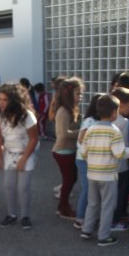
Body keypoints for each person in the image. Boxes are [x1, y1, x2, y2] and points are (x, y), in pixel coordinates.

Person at [80, 94, 129, 246]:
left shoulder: (91, 129)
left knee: (92, 203)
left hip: (92, 173)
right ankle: (104, 236)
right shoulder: (115, 131)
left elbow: (83, 151)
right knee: (108, 205)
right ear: (115, 112)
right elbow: (120, 153)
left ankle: (86, 230)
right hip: (108, 176)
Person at [0, 83, 39, 229]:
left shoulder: (27, 116)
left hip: (25, 153)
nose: (1, 103)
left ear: (14, 101)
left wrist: (24, 158)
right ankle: (11, 215)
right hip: (8, 154)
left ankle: (25, 216)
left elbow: (34, 139)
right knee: (8, 187)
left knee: (23, 188)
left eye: (5, 100)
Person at [53, 77, 82, 219]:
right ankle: (63, 208)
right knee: (69, 180)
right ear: (68, 94)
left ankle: (63, 206)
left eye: (80, 93)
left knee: (70, 179)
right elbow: (63, 135)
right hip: (63, 151)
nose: (80, 97)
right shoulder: (63, 111)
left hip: (69, 150)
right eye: (78, 93)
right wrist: (83, 132)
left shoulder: (71, 109)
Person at [74, 93, 104, 230]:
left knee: (92, 190)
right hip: (84, 160)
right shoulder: (90, 121)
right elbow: (81, 140)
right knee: (87, 189)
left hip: (91, 160)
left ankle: (90, 216)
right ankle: (80, 218)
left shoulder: (98, 120)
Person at [110, 87, 129, 231]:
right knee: (120, 195)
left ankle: (109, 217)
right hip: (122, 165)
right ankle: (115, 221)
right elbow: (125, 146)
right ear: (121, 105)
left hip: (108, 166)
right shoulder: (124, 122)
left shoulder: (105, 119)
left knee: (110, 195)